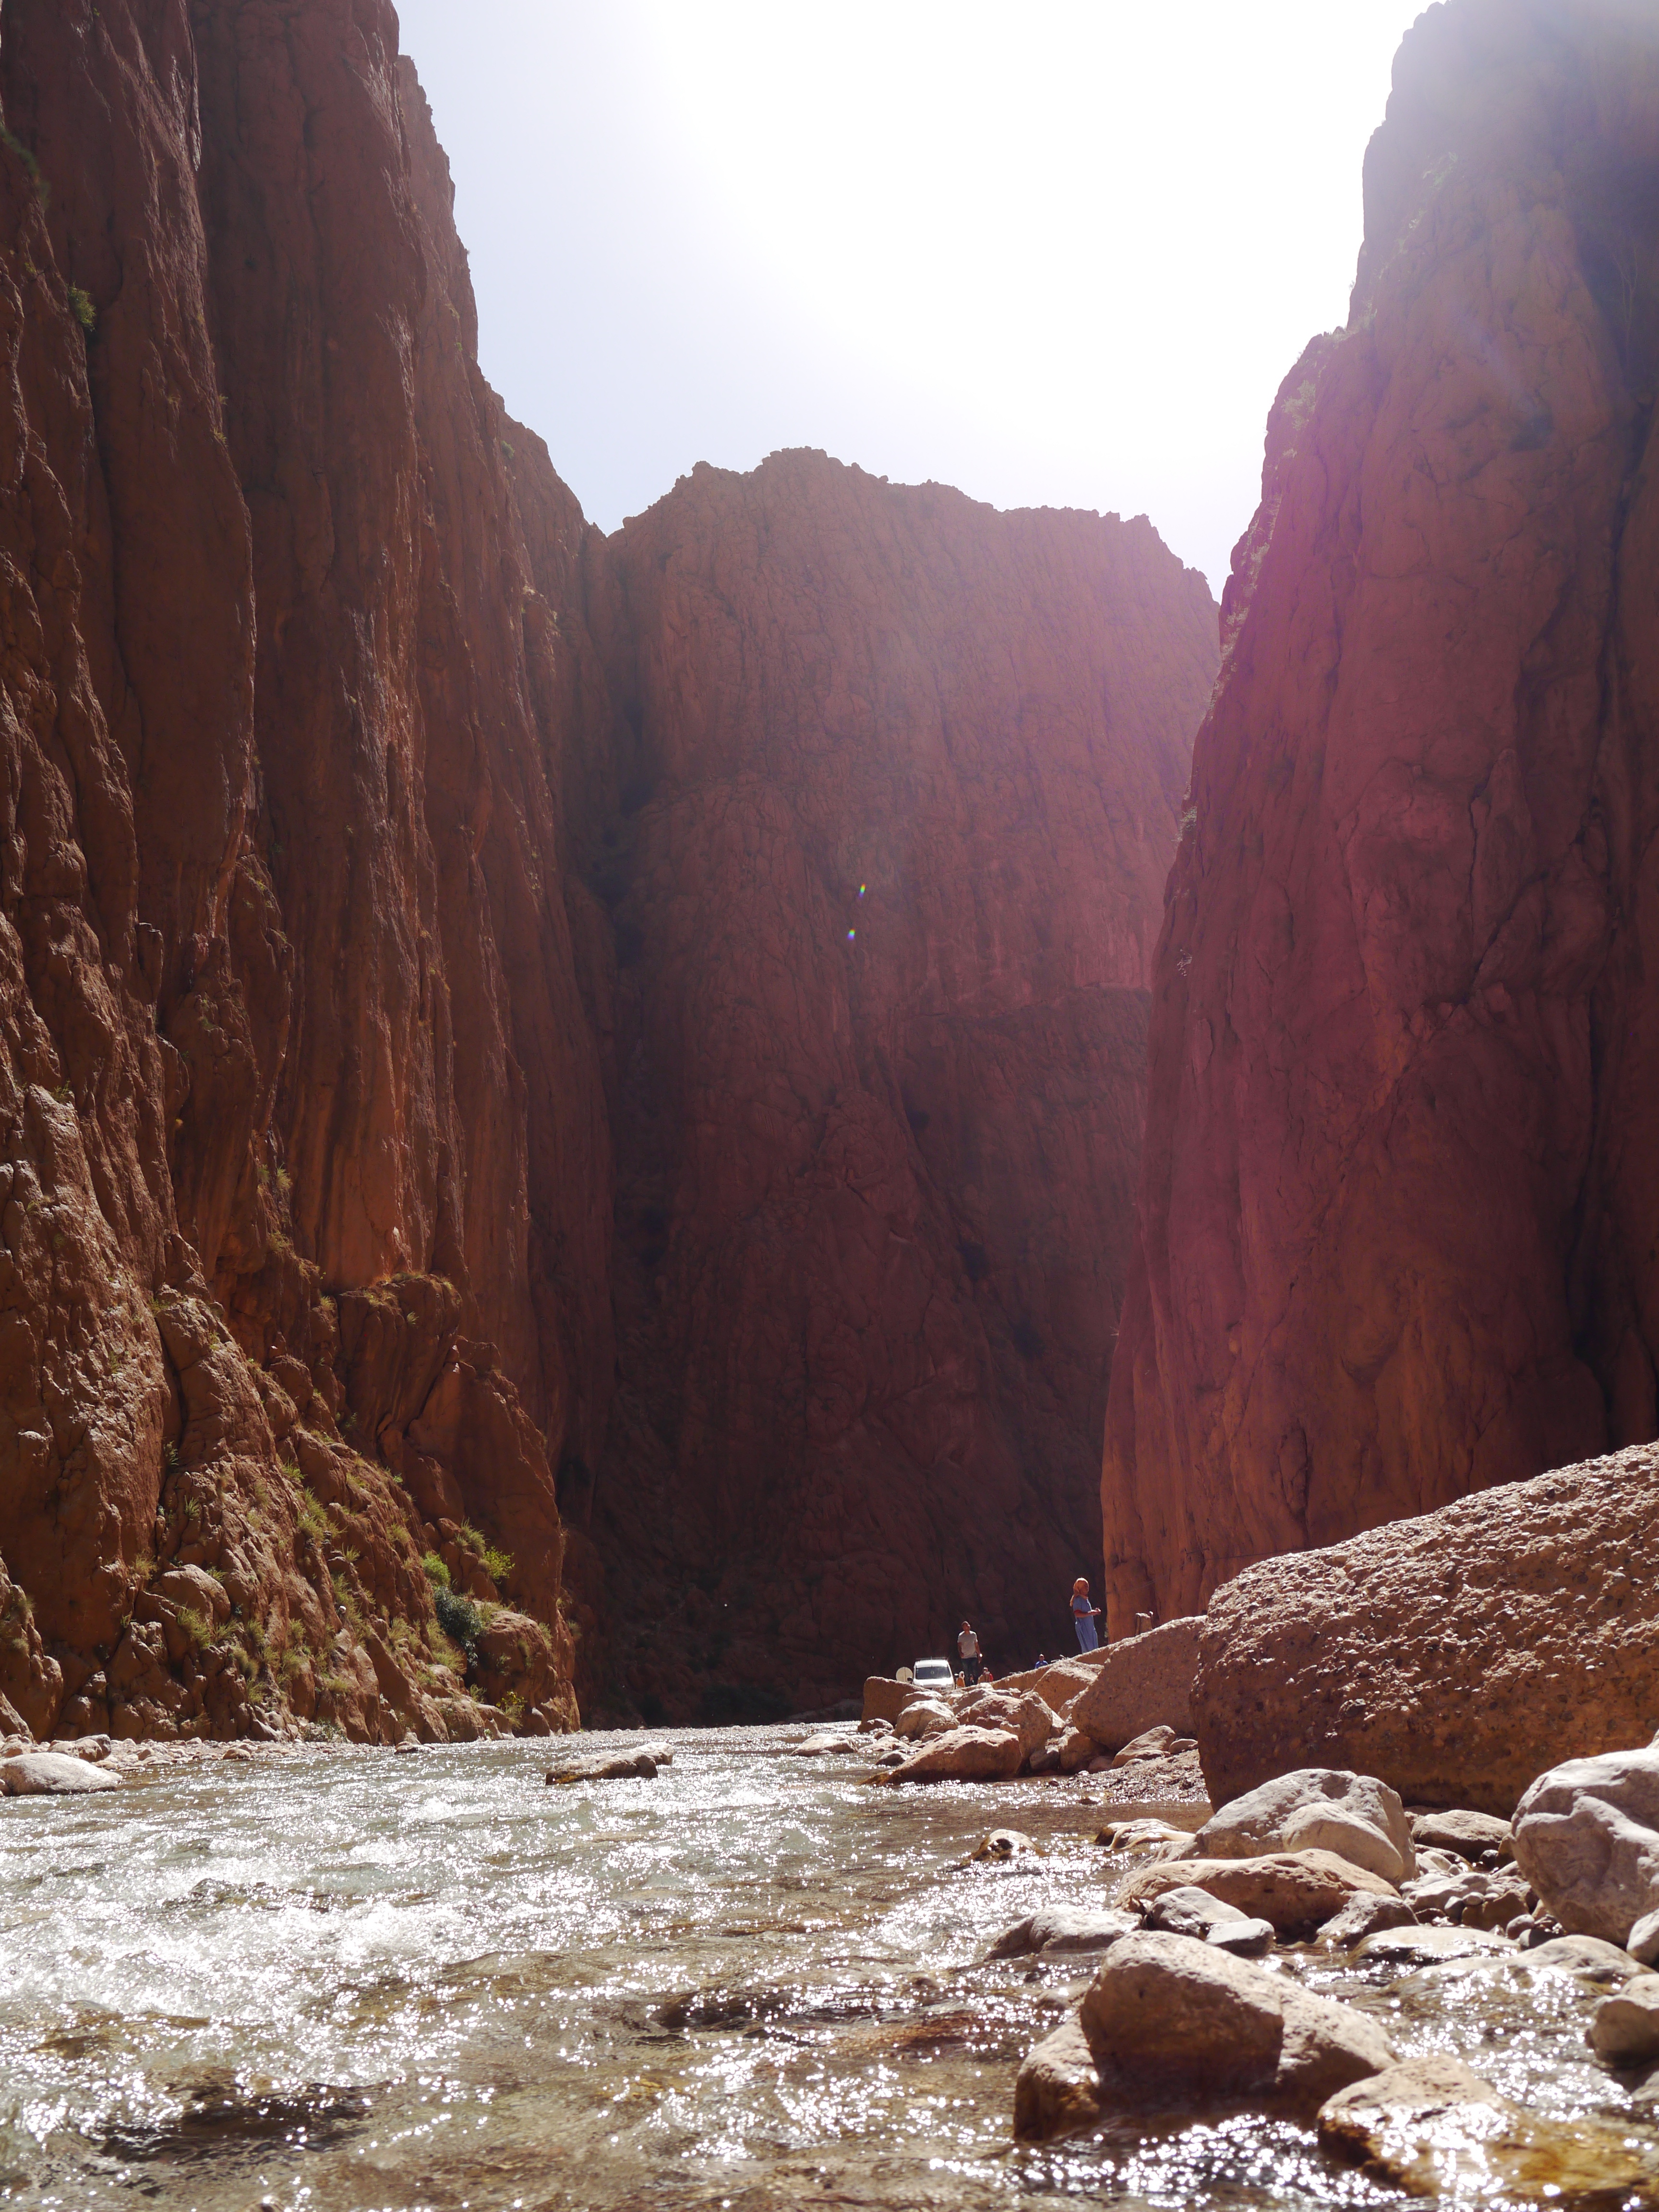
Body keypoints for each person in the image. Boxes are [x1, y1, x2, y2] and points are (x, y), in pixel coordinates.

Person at [1071, 1577, 1102, 1653]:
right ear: (1080, 1588)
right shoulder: (1078, 1600)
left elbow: (1087, 1612)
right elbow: (1077, 1614)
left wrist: (1095, 1612)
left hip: (1090, 1627)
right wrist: (1091, 1613)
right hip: (1083, 1627)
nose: (1087, 1588)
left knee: (1094, 1649)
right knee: (1088, 1650)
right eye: (1085, 1586)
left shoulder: (1086, 1600)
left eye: (1087, 1586)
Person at [957, 1620, 983, 1685]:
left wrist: (979, 1654)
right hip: (965, 1657)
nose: (968, 1626)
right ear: (964, 1628)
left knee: (975, 1672)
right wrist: (960, 1653)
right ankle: (968, 1687)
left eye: (968, 1625)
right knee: (967, 1674)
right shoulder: (961, 1636)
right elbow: (959, 1646)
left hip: (973, 1656)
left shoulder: (974, 1635)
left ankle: (976, 1685)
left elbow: (976, 1645)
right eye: (967, 1625)